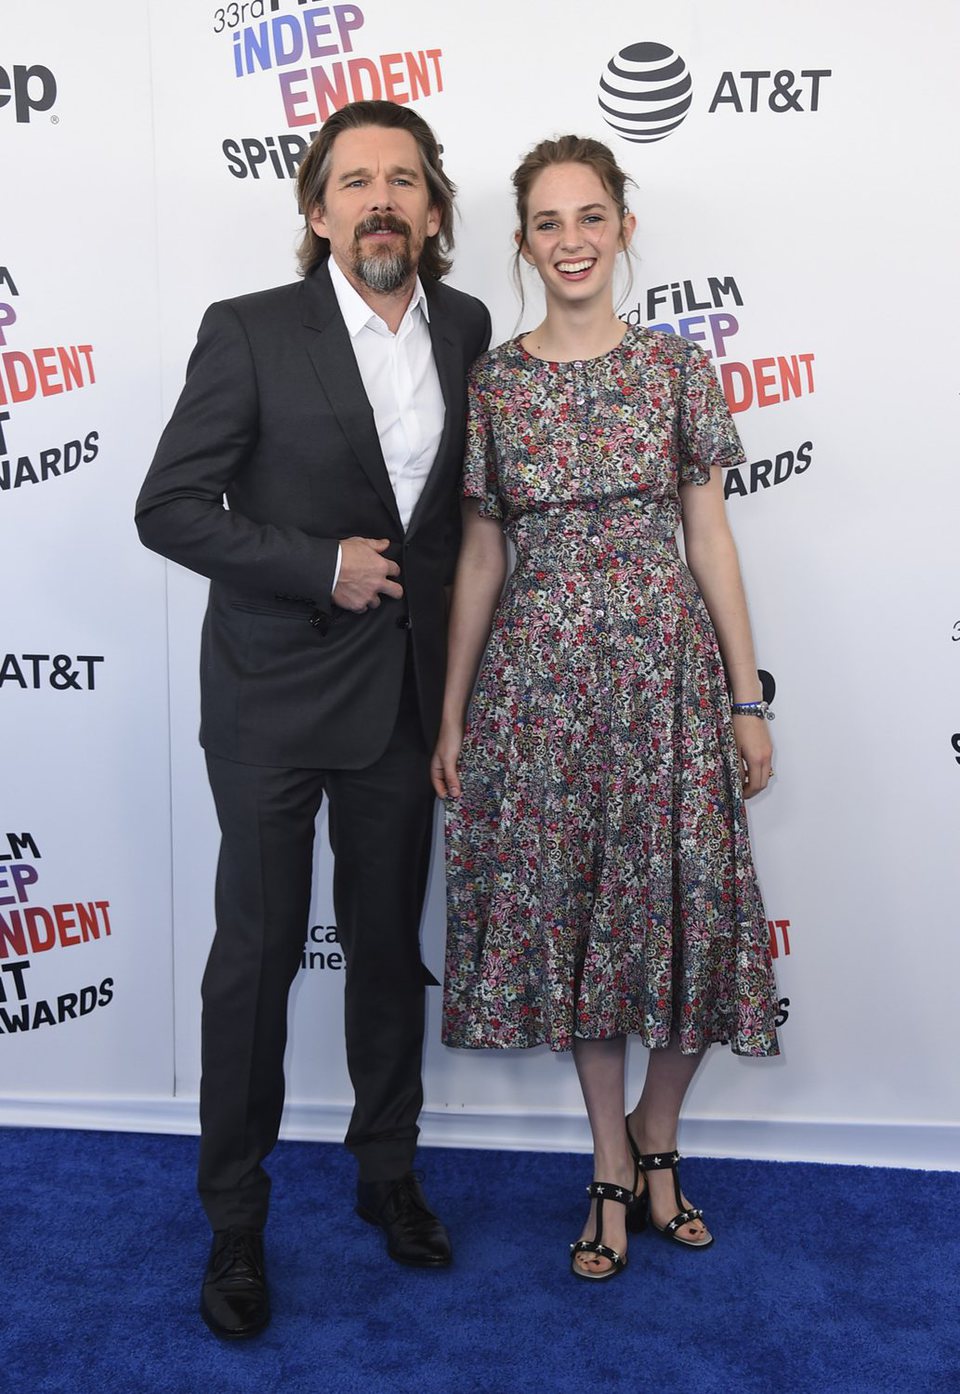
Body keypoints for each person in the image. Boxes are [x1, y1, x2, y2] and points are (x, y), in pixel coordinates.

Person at [136, 99, 491, 1336]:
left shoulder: (466, 326)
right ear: (316, 209)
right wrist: (313, 563)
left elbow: (451, 529)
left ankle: (387, 1172)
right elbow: (170, 507)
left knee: (389, 948)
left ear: (433, 211)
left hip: (398, 698)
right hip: (274, 700)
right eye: (354, 182)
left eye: (402, 180)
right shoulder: (248, 332)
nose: (379, 199)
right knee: (259, 958)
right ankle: (235, 1214)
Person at [431, 135, 779, 1281]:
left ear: (624, 227)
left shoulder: (677, 366)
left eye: (591, 216)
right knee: (586, 925)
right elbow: (480, 556)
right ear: (523, 241)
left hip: (669, 687)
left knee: (687, 916)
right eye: (546, 221)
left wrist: (744, 695)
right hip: (540, 695)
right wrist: (453, 713)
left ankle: (661, 1138)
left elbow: (712, 536)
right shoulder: (497, 382)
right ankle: (608, 1164)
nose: (570, 240)